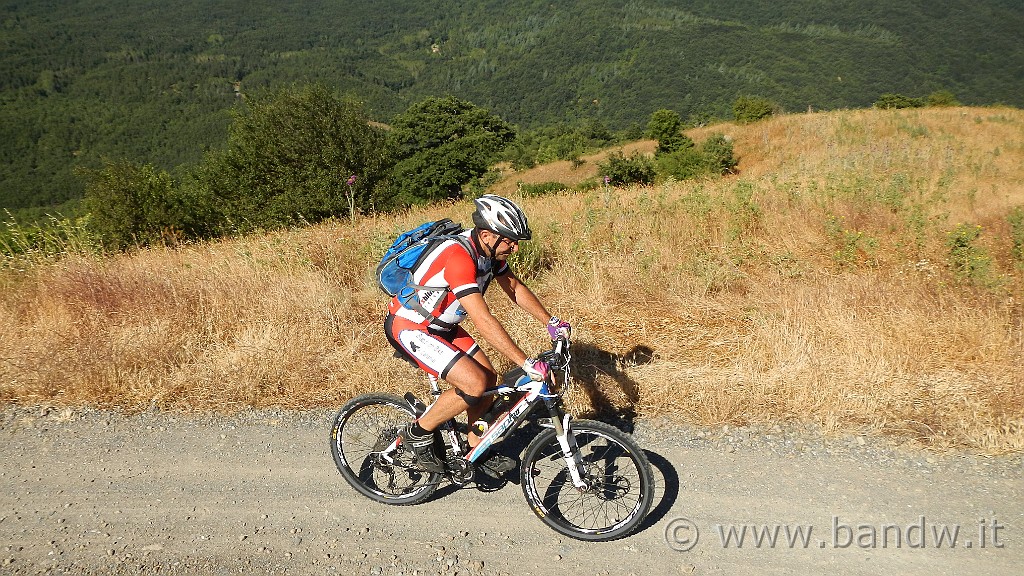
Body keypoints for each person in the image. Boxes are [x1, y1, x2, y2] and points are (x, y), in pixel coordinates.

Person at [383, 194, 571, 474]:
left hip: (443, 327)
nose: (515, 248)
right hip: (410, 326)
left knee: (489, 380)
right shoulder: (458, 257)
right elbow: (482, 319)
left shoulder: (488, 252)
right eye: (510, 241)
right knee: (474, 384)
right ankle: (417, 434)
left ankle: (475, 449)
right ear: (486, 234)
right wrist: (526, 363)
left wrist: (551, 321)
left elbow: (514, 288)